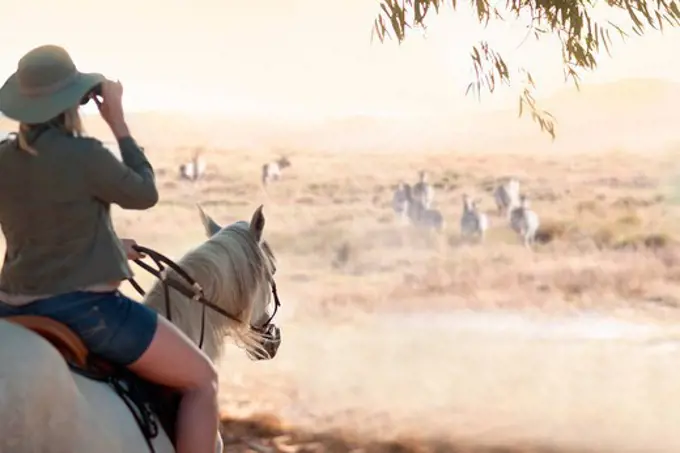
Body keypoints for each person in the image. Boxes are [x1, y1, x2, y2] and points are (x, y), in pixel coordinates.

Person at [0, 45, 219, 453]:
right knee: (201, 380)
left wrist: (107, 246)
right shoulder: (85, 155)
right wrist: (118, 123)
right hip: (86, 310)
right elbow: (144, 192)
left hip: (10, 307)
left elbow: (39, 224)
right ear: (73, 103)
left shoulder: (3, 158)